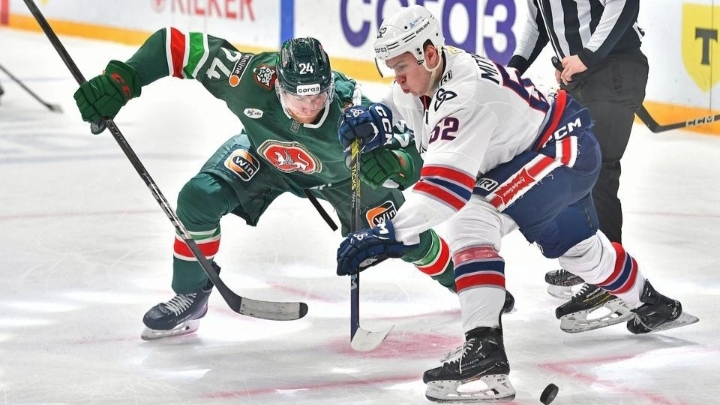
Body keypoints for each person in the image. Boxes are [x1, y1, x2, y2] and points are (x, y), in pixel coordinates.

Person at [336, 5, 696, 403]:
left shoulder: (462, 96)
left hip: (560, 152)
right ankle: (652, 304)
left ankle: (485, 350)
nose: (398, 80)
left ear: (430, 53)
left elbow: (443, 191)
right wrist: (376, 116)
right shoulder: (433, 74)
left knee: (473, 216)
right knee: (579, 251)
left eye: (401, 68)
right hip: (556, 148)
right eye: (392, 70)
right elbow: (400, 104)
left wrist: (388, 234)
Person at [73, 31, 464, 340]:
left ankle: (462, 281)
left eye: (318, 96)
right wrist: (123, 80)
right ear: (278, 86)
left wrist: (397, 165)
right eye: (298, 97)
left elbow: (416, 151)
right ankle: (191, 294)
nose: (309, 107)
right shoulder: (247, 78)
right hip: (266, 155)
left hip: (342, 177)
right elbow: (175, 45)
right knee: (197, 198)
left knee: (404, 233)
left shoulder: (353, 112)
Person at [508, 0, 649, 318]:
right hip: (585, 79)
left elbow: (624, 3)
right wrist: (511, 73)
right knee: (570, 168)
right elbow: (537, 23)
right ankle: (592, 261)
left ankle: (609, 281)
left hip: (614, 70)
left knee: (598, 172)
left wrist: (587, 56)